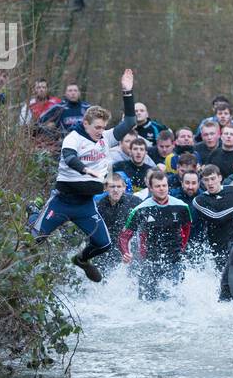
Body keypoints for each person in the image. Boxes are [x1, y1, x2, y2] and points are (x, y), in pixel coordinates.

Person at [28, 69, 137, 282]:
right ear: (86, 124)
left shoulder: (106, 138)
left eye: (103, 127)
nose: (100, 131)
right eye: (97, 127)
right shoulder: (73, 138)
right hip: (62, 202)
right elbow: (69, 157)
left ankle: (81, 260)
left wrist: (127, 92)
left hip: (85, 206)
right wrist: (84, 169)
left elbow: (130, 121)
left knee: (104, 244)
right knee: (34, 240)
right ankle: (33, 213)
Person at [118, 169, 192, 300]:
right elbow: (125, 235)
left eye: (164, 185)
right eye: (158, 186)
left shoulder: (181, 207)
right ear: (151, 188)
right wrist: (125, 253)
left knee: (173, 299)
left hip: (175, 260)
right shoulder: (141, 209)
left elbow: (186, 228)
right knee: (146, 300)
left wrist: (182, 247)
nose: (162, 189)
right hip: (149, 261)